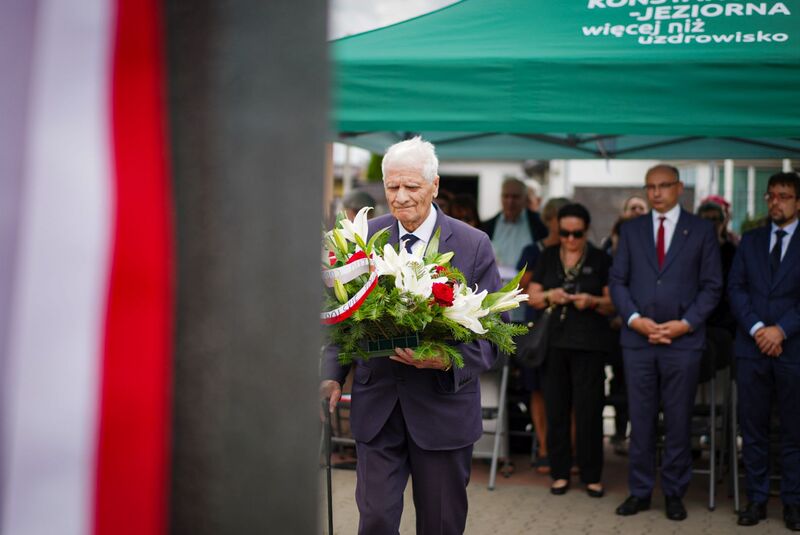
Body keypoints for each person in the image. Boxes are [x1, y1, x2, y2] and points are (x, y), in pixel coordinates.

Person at [319, 137, 501, 535]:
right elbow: (341, 318)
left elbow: (492, 340)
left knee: (440, 524)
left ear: (434, 186)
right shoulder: (364, 240)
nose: (400, 198)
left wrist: (446, 359)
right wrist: (331, 374)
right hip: (378, 406)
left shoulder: (473, 246)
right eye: (392, 187)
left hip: (442, 409)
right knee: (376, 521)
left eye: (411, 187)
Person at [609, 164, 722, 521]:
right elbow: (618, 281)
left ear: (679, 188)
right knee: (639, 419)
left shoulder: (702, 230)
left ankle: (674, 493)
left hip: (682, 342)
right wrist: (635, 320)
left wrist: (685, 324)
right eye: (650, 187)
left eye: (663, 186)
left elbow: (712, 285)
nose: (656, 192)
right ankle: (640, 492)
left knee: (678, 419)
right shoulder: (631, 230)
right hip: (639, 340)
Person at [526, 203, 614, 498]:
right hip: (554, 344)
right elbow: (531, 296)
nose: (571, 239)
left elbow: (612, 304)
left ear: (585, 231)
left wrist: (591, 301)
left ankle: (591, 475)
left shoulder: (600, 258)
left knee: (589, 410)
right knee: (556, 409)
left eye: (576, 233)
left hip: (589, 344)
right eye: (564, 233)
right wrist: (551, 295)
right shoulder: (548, 255)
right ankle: (559, 472)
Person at [728, 172, 800, 531]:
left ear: (798, 202)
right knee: (752, 428)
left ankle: (793, 503)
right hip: (752, 347)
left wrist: (782, 329)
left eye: (784, 196)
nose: (776, 202)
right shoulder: (751, 240)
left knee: (794, 431)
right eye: (771, 196)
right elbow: (735, 289)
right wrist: (758, 329)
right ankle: (755, 500)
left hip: (793, 349)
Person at [516, 197, 571, 474]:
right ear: (548, 220)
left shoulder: (576, 250)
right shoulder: (533, 250)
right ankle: (545, 448)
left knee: (567, 391)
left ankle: (569, 450)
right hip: (537, 329)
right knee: (537, 388)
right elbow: (519, 289)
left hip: (566, 329)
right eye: (558, 218)